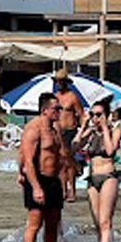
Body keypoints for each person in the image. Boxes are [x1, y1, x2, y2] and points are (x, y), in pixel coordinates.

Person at [18, 92, 66, 242]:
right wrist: (36, 187)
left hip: (53, 181)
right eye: (56, 108)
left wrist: (65, 183)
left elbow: (60, 156)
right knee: (35, 223)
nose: (59, 111)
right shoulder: (33, 129)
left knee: (53, 225)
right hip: (37, 179)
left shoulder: (55, 129)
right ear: (45, 110)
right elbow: (27, 160)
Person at [76, 98, 121, 242]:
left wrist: (104, 128)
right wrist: (82, 128)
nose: (95, 118)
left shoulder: (115, 130)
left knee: (105, 221)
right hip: (92, 178)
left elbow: (110, 151)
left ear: (107, 115)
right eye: (92, 115)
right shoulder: (91, 133)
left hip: (108, 176)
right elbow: (74, 146)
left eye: (98, 115)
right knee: (97, 222)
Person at [54, 72, 84, 200]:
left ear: (66, 82)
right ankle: (63, 189)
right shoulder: (55, 98)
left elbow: (81, 114)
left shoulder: (72, 97)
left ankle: (72, 189)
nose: (59, 84)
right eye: (57, 81)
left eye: (61, 81)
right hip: (58, 132)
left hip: (70, 131)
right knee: (61, 161)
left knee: (68, 159)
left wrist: (81, 132)